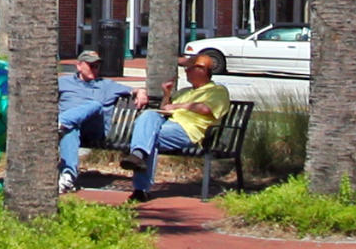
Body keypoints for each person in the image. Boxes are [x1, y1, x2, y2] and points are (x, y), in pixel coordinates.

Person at [121, 48, 232, 200]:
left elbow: (206, 109)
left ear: (202, 70)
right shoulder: (185, 91)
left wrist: (177, 106)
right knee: (149, 115)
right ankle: (139, 157)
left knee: (148, 138)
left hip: (188, 130)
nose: (185, 71)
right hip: (167, 124)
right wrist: (167, 94)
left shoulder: (217, 91)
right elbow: (164, 109)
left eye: (189, 68)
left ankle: (140, 185)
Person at [55, 47, 129, 194]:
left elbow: (135, 91)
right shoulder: (63, 82)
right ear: (79, 66)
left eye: (97, 66)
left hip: (95, 129)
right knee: (70, 129)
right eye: (91, 65)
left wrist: (141, 93)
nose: (95, 69)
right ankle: (68, 177)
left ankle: (61, 122)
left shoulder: (107, 85)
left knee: (94, 105)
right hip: (70, 129)